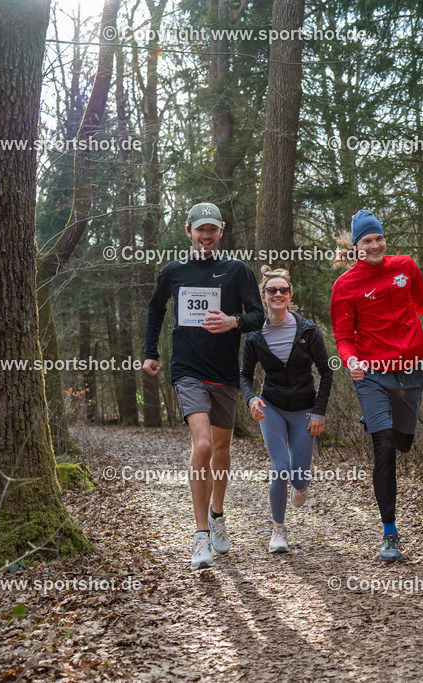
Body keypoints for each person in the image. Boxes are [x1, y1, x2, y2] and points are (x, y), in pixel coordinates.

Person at [330, 210, 423, 562]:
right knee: (386, 445)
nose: (374, 245)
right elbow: (344, 338)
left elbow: (421, 302)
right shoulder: (345, 286)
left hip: (410, 371)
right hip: (373, 375)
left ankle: (382, 422)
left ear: (383, 240)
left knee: (404, 442)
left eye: (378, 238)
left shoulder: (405, 266)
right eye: (366, 241)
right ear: (356, 247)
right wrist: (352, 361)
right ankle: (389, 531)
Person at [143, 202, 264, 570]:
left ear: (221, 231)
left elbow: (257, 317)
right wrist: (150, 352)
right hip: (188, 369)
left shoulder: (236, 271)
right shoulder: (173, 271)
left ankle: (217, 514)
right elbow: (155, 309)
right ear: (189, 231)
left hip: (224, 372)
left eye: (212, 229)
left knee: (222, 449)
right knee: (204, 444)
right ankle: (199, 537)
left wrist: (234, 321)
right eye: (200, 229)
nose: (206, 235)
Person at [240, 267, 333, 553]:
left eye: (283, 290)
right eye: (271, 290)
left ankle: (301, 486)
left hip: (305, 408)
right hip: (272, 407)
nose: (277, 294)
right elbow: (244, 375)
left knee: (299, 476)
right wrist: (251, 399)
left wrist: (319, 411)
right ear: (264, 296)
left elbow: (326, 372)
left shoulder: (307, 329)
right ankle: (278, 531)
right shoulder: (254, 334)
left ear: (290, 296)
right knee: (280, 468)